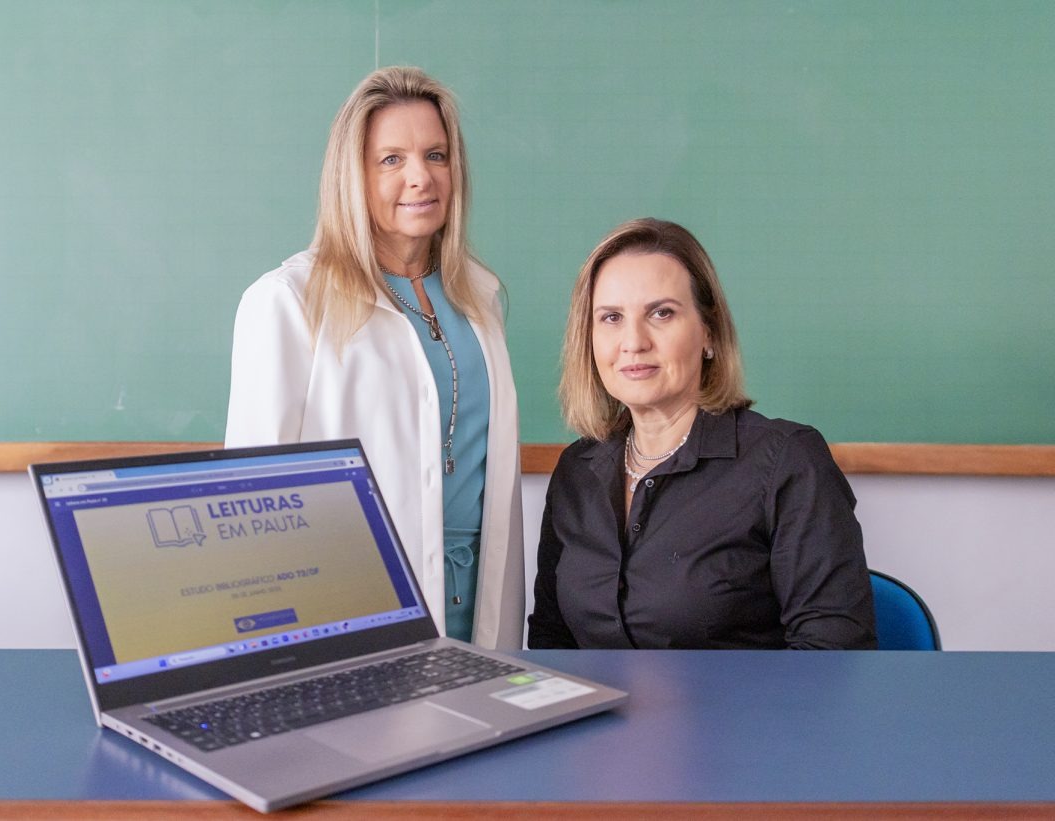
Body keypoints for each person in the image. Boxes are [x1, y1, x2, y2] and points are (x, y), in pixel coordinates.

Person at [225, 67, 524, 649]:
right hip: (350, 619)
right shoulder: (288, 302)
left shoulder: (480, 299)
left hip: (477, 610)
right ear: (353, 176)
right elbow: (249, 507)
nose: (421, 177)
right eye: (392, 159)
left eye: (436, 154)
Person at [528, 218, 876, 650]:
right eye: (611, 318)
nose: (633, 341)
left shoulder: (787, 462)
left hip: (744, 718)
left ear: (708, 332)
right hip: (602, 720)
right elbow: (552, 642)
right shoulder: (576, 472)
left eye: (661, 313)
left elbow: (833, 657)